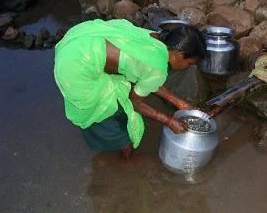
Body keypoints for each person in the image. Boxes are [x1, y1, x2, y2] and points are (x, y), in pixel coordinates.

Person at [54, 18, 206, 160]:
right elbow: (135, 102)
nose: (188, 67)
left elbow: (148, 77)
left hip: (78, 41)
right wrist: (169, 120)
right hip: (75, 69)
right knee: (114, 114)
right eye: (189, 63)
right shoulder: (157, 67)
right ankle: (126, 159)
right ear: (178, 54)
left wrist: (178, 102)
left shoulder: (154, 37)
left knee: (122, 90)